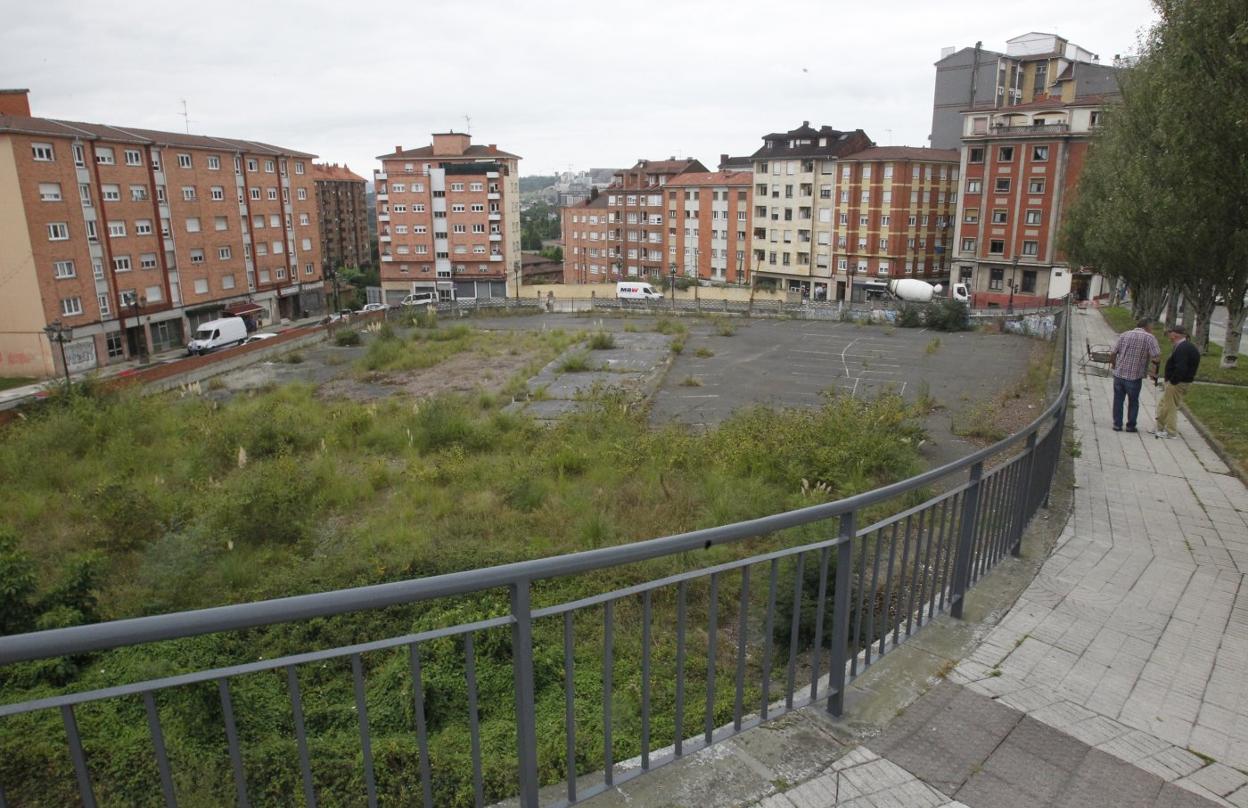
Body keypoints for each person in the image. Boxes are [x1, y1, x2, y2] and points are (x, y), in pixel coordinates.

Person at [1109, 317, 1161, 433]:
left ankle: (1117, 425)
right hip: (1135, 376)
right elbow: (1156, 356)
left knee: (1118, 400)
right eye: (1151, 327)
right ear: (1147, 326)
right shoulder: (1149, 338)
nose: (1152, 329)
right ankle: (1130, 426)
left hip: (1119, 375)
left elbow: (1113, 353)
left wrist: (1114, 365)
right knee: (1133, 401)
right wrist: (1154, 372)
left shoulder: (1124, 334)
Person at [1152, 325, 1200, 439]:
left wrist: (1172, 381)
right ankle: (1159, 427)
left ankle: (1171, 432)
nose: (1169, 337)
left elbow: (1181, 367)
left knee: (1170, 406)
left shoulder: (1183, 348)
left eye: (1170, 334)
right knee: (1163, 404)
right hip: (1180, 381)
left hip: (1177, 383)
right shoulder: (1186, 346)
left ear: (1175, 335)